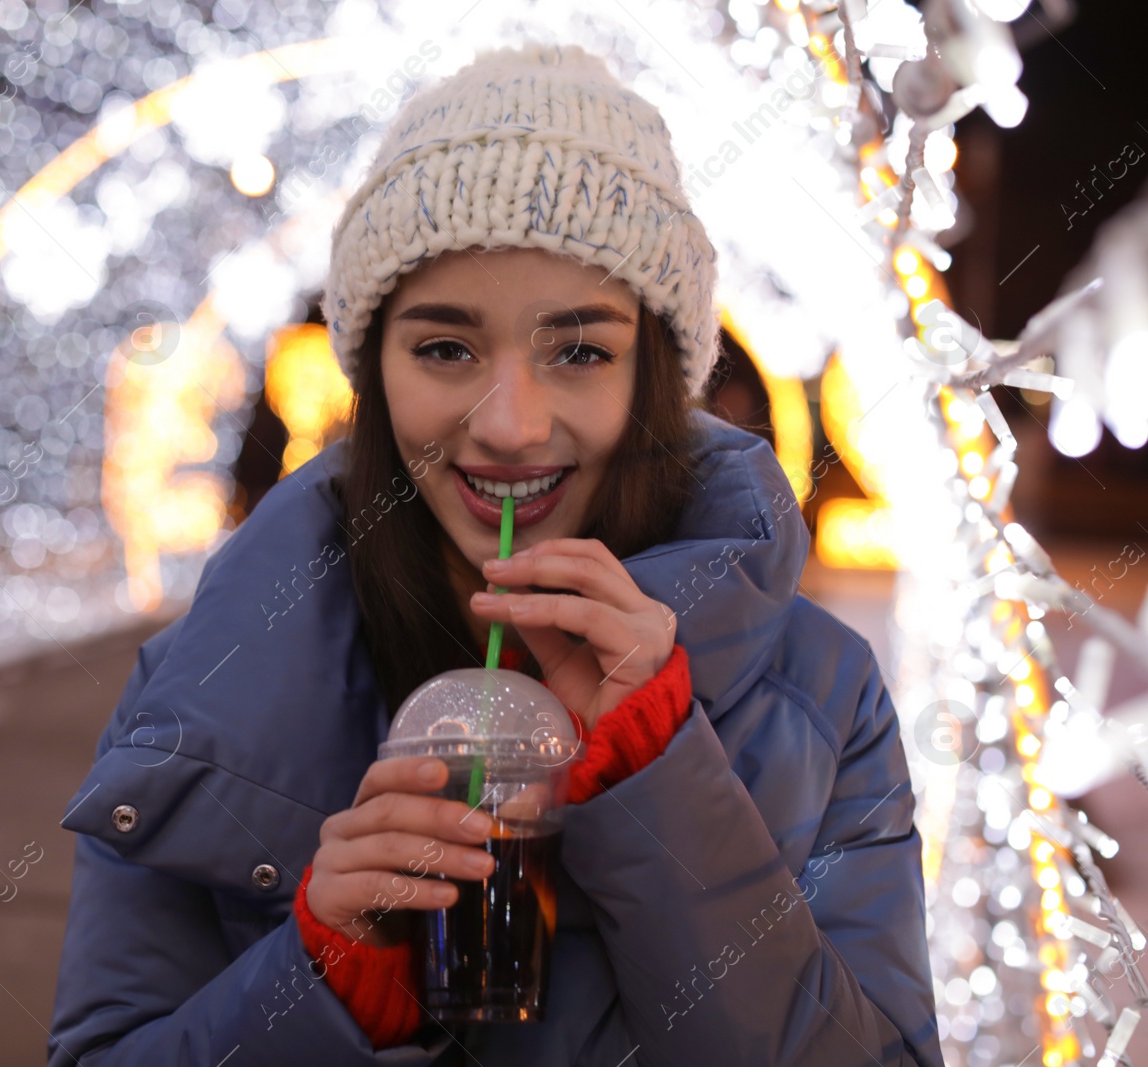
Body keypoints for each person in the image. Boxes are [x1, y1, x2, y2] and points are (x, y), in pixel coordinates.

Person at [47, 41, 944, 1067]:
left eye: (579, 351)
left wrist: (662, 781)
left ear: (652, 373)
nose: (511, 425)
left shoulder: (821, 692)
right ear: (370, 369)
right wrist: (323, 981)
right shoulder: (206, 683)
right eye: (444, 347)